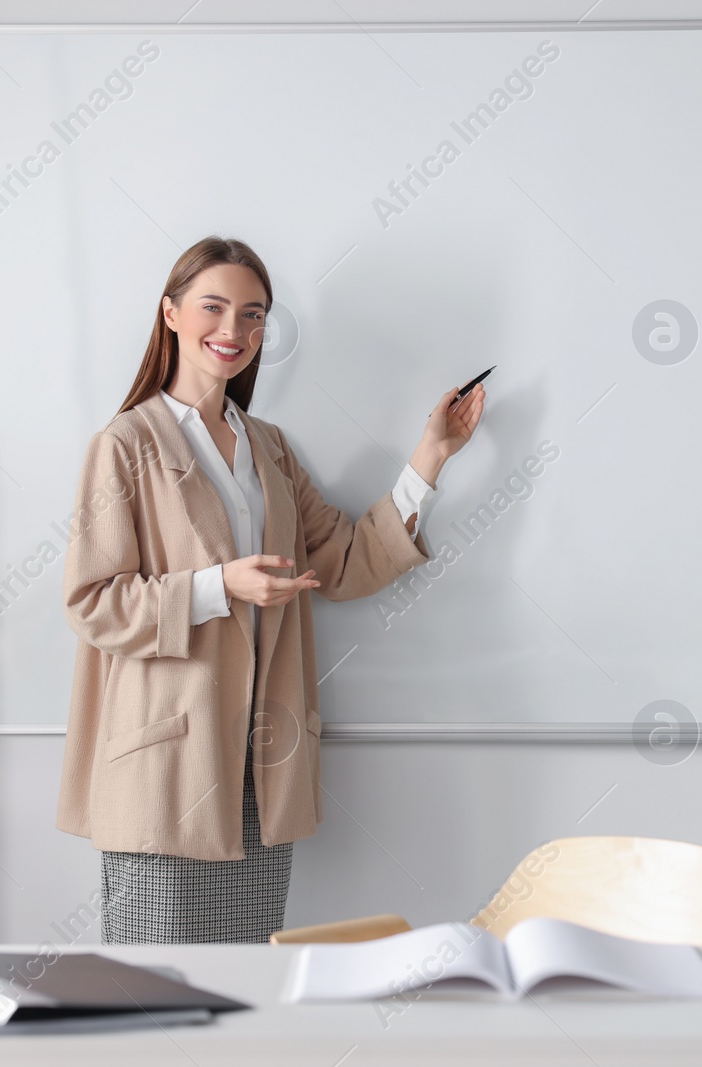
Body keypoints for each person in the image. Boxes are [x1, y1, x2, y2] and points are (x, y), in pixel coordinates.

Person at [55, 236, 484, 943]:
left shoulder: (270, 447)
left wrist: (430, 455)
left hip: (260, 766)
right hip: (166, 771)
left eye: (253, 315)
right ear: (170, 313)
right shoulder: (125, 444)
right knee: (159, 1002)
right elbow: (92, 602)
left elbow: (344, 561)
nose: (234, 332)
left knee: (250, 993)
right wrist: (217, 586)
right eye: (214, 308)